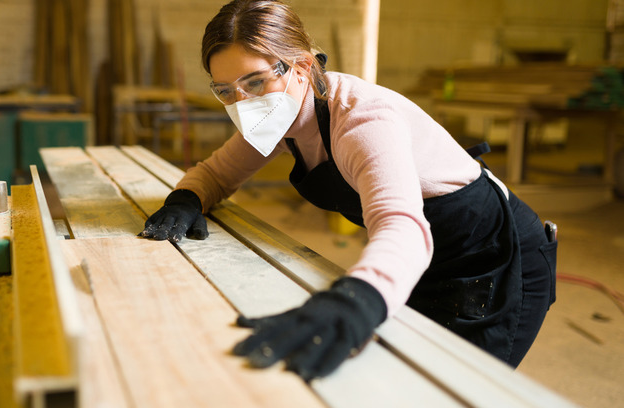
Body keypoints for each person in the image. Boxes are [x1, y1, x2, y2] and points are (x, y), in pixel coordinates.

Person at [139, 0, 558, 381]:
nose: (242, 102)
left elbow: (402, 227)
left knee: (458, 392)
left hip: (491, 258)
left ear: (301, 66)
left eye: (254, 82)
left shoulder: (361, 120)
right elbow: (216, 174)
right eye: (225, 91)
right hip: (417, 261)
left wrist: (355, 300)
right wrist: (186, 199)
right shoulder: (275, 118)